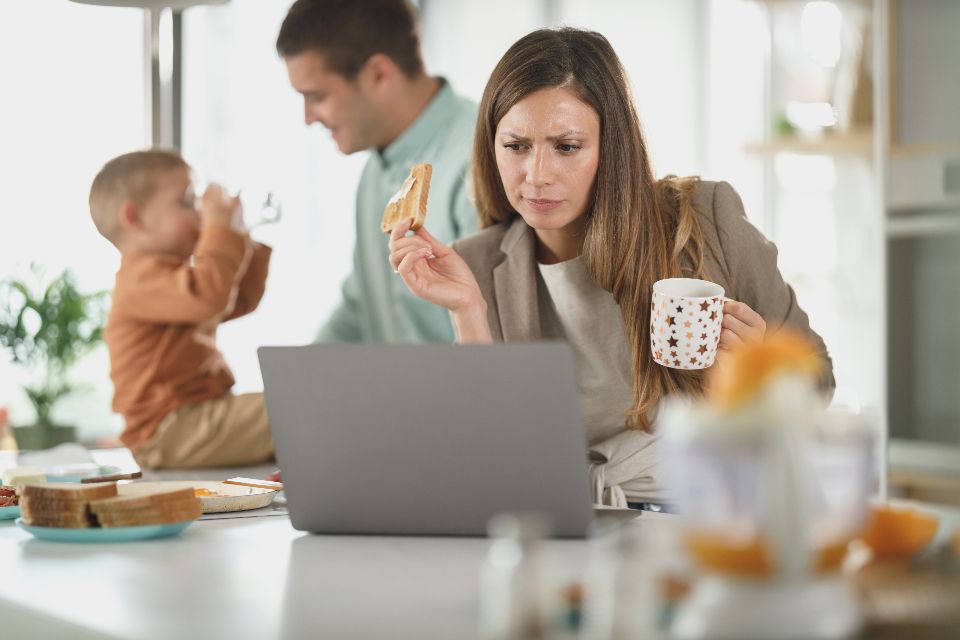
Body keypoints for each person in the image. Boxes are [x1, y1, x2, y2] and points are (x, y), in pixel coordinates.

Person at [389, 28, 835, 509]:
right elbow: (490, 456)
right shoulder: (478, 263)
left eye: (566, 146)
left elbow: (818, 383)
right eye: (516, 146)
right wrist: (468, 311)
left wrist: (758, 374)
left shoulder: (706, 220)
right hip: (572, 518)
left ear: (610, 146)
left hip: (716, 511)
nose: (537, 174)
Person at [277, 0, 478, 343]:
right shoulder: (373, 173)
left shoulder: (483, 160)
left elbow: (502, 329)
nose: (308, 118)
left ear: (379, 74)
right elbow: (360, 309)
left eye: (317, 96)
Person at [89, 150, 273, 469]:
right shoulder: (140, 278)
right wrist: (221, 230)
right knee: (295, 411)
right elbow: (210, 295)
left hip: (192, 419)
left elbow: (237, 300)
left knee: (294, 411)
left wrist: (238, 232)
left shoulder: (173, 280)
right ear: (134, 218)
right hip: (167, 429)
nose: (202, 213)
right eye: (188, 202)